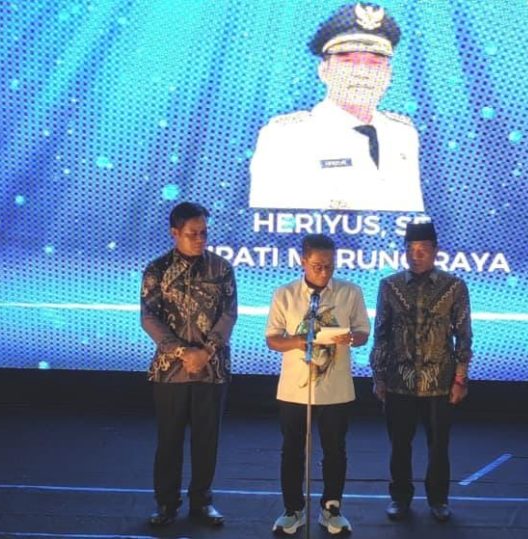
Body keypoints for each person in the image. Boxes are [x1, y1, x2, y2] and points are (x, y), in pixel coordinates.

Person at [249, 2, 424, 212]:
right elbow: (271, 222)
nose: (361, 73)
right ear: (324, 71)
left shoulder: (403, 135)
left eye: (374, 64)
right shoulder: (286, 137)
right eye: (348, 62)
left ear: (388, 75)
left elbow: (411, 217)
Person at [140, 202, 238, 528]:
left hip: (212, 369)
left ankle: (202, 502)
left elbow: (229, 314)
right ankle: (166, 503)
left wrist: (206, 351)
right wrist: (183, 352)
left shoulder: (221, 268)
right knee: (169, 440)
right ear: (175, 232)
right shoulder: (157, 270)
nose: (200, 239)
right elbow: (149, 317)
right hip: (171, 371)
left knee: (206, 440)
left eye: (204, 233)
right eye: (193, 233)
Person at [266, 234, 370, 535]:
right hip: (294, 389)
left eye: (329, 266)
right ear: (303, 261)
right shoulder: (285, 294)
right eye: (317, 266)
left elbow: (363, 333)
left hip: (336, 388)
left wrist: (350, 338)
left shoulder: (350, 292)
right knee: (292, 450)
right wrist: (299, 341)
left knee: (335, 450)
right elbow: (272, 339)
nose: (324, 272)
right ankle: (293, 509)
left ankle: (331, 509)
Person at [369, 221, 473, 522]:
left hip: (439, 381)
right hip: (398, 380)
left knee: (439, 446)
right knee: (399, 445)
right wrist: (378, 376)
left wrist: (460, 378)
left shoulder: (454, 287)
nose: (416, 256)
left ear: (435, 251)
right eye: (411, 250)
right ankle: (400, 497)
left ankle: (438, 499)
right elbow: (381, 334)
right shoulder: (390, 286)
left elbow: (463, 335)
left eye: (423, 250)